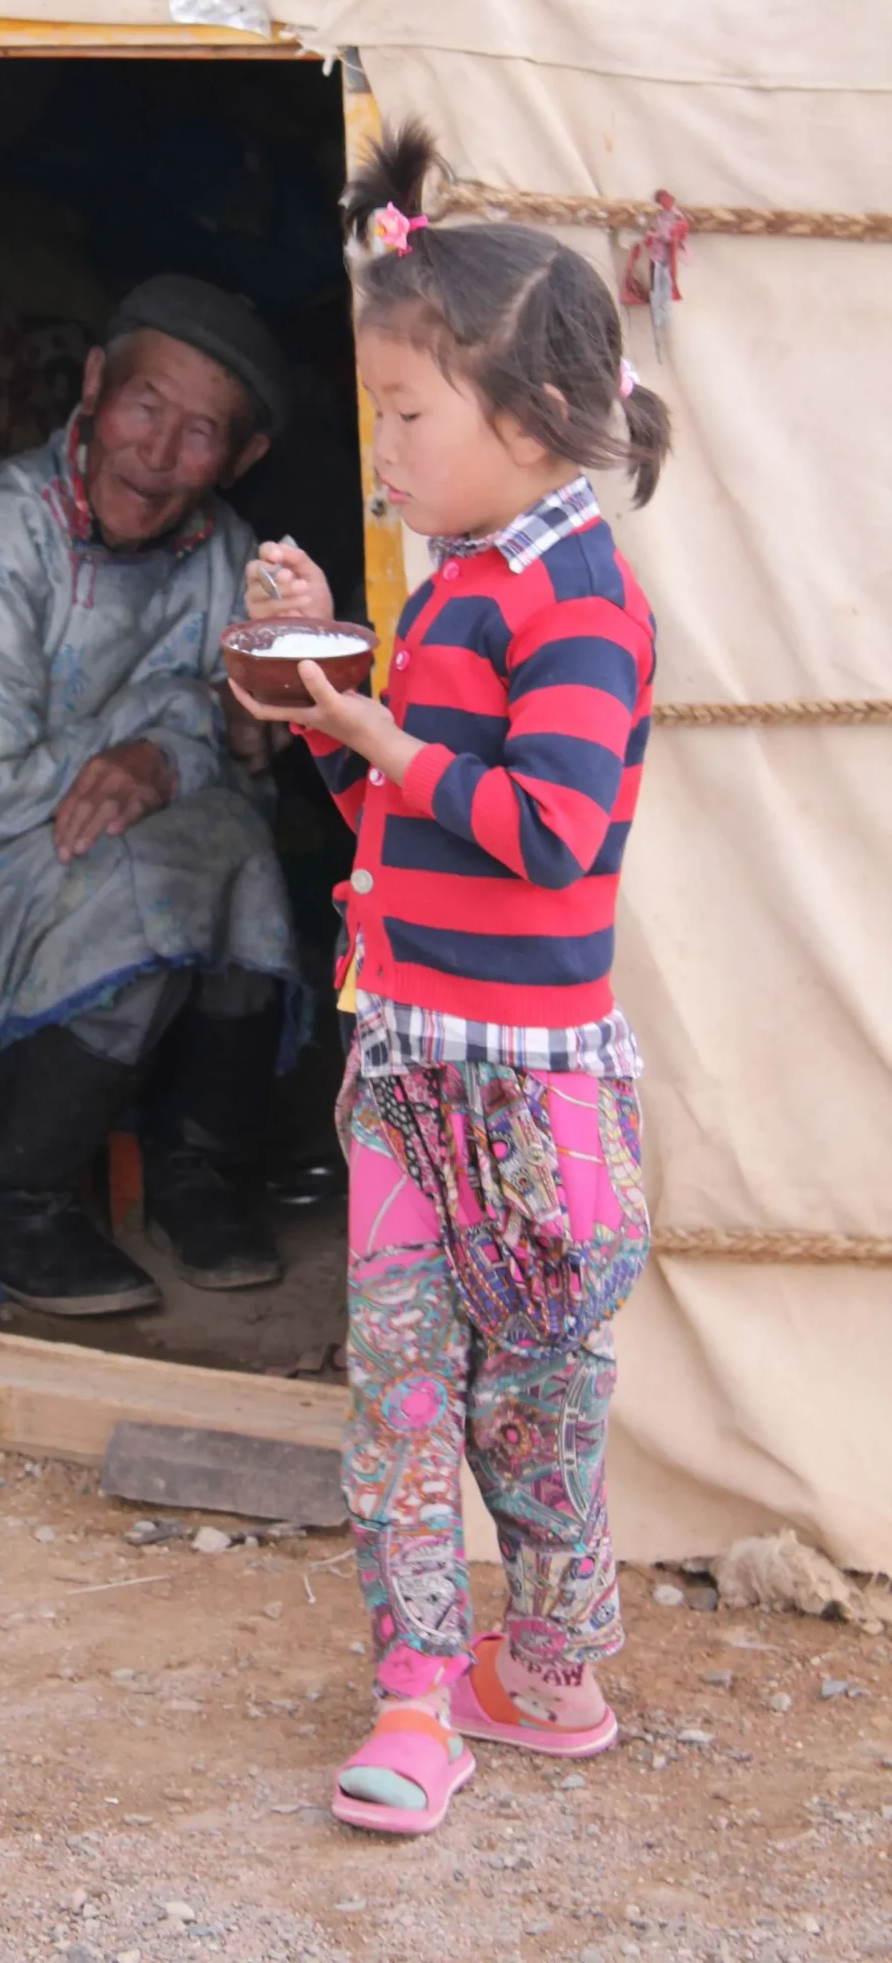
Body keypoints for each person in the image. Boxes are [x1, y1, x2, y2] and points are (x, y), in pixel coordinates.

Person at [233, 121, 672, 1838]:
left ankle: (545, 1671)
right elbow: (400, 826)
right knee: (402, 1385)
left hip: (535, 1089)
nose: (384, 447)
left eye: (409, 415)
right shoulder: (452, 592)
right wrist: (322, 694)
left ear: (531, 420)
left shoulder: (578, 604)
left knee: (541, 1398)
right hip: (412, 1065)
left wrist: (383, 737)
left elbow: (549, 834)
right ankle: (417, 1694)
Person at [0, 275, 304, 1317]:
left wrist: (173, 755)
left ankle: (196, 1170)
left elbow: (245, 763)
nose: (156, 452)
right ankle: (17, 1194)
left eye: (200, 432)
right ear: (93, 385)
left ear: (242, 457)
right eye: (143, 406)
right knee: (149, 868)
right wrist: (175, 724)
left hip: (72, 851)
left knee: (234, 842)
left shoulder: (224, 555)